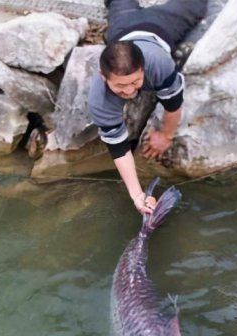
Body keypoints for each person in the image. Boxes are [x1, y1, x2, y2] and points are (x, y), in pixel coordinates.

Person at [88, 0, 208, 214]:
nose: (129, 92)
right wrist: (137, 195)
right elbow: (118, 147)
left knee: (198, 4)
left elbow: (173, 103)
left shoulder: (158, 63)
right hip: (123, 26)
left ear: (144, 69)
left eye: (135, 82)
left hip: (162, 26)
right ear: (103, 77)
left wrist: (166, 135)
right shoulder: (99, 97)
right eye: (120, 86)